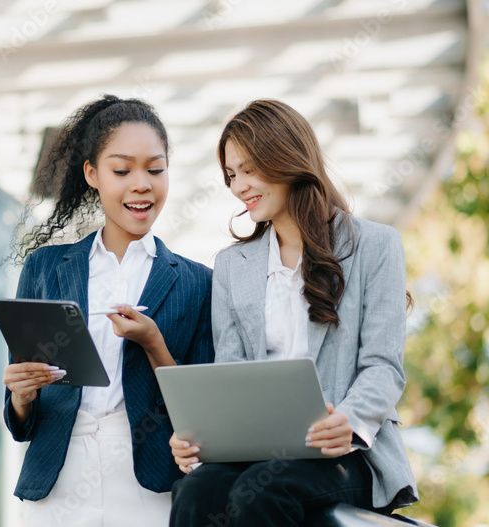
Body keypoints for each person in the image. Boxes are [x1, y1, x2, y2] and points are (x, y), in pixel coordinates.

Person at [168, 99, 419, 526]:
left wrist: (348, 421)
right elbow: (230, 374)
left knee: (266, 489)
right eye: (231, 175)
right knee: (195, 490)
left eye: (249, 169)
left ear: (285, 157)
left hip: (346, 453)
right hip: (259, 449)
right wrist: (200, 438)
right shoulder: (232, 266)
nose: (238, 186)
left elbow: (383, 367)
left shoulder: (376, 246)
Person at [2, 94, 215, 527]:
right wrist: (21, 396)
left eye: (155, 169)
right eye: (122, 170)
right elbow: (21, 422)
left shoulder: (199, 282)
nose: (142, 184)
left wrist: (154, 343)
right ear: (93, 175)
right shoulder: (45, 267)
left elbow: (203, 416)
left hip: (148, 483)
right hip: (55, 482)